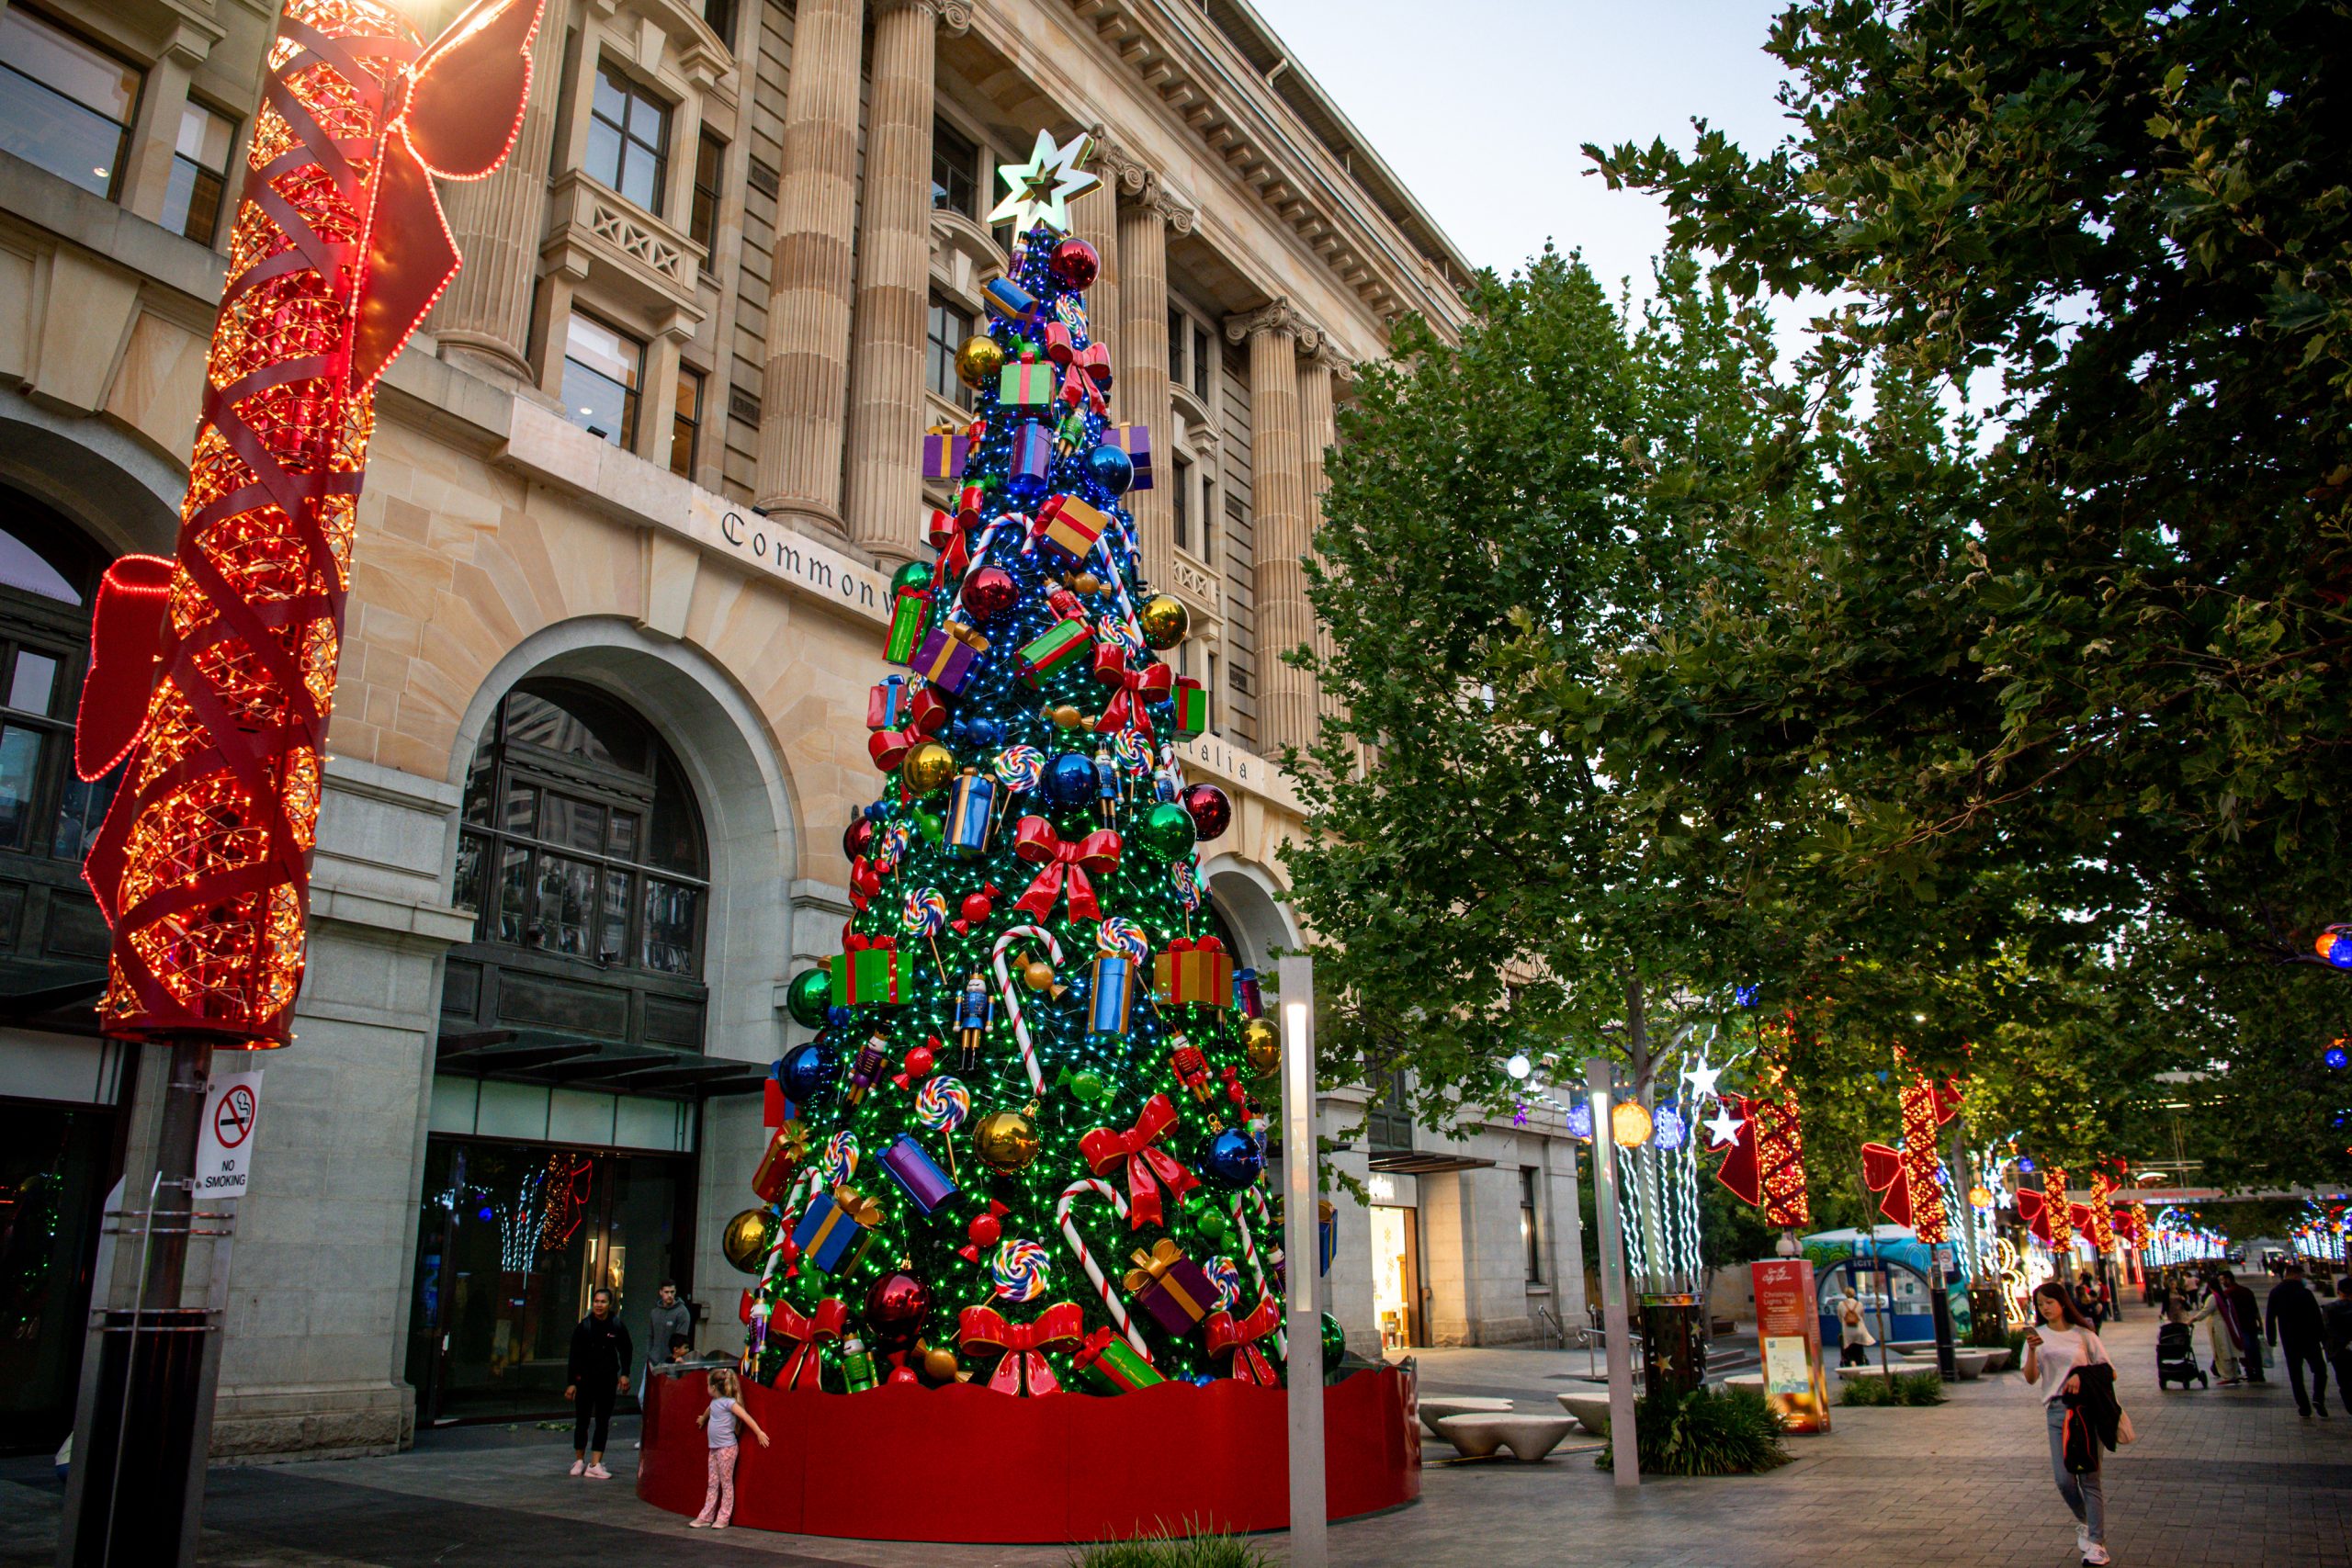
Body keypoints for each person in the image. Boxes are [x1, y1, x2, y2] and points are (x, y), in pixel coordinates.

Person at [2022, 1280, 2115, 1566]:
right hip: (2056, 1411)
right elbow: (2030, 1378)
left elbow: (2109, 1371)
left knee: (2089, 1478)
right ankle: (2088, 1522)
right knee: (2064, 1480)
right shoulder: (2036, 1337)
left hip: (2086, 1410)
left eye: (2049, 1302)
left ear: (2062, 1302)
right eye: (2040, 1304)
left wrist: (2080, 1375)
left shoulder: (2083, 1334)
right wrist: (2034, 1351)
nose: (2045, 1308)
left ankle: (2097, 1545)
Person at [566, 1286, 633, 1479]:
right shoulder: (584, 1326)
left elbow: (626, 1350)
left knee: (603, 1421)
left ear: (609, 1304)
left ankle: (595, 1463)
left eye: (603, 1302)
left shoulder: (616, 1326)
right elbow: (574, 1357)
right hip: (585, 1380)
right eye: (596, 1301)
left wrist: (625, 1374)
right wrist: (571, 1383)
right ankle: (579, 1460)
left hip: (607, 1380)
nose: (599, 1305)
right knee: (582, 1420)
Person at [690, 1367, 769, 1529]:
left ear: (713, 1387)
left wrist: (759, 1432)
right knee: (712, 1482)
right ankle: (706, 1515)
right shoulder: (715, 1403)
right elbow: (709, 1411)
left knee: (726, 1483)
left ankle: (724, 1517)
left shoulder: (729, 1403)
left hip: (726, 1448)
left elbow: (745, 1416)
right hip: (714, 1448)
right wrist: (703, 1419)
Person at [2266, 1262, 2330, 1418]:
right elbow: (2317, 1317)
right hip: (2310, 1339)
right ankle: (2318, 1398)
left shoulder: (2276, 1292)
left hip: (2289, 1340)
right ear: (2295, 1275)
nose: (2303, 1279)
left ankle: (2304, 1407)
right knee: (2320, 1370)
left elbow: (2270, 1317)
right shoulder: (2305, 1293)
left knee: (2296, 1375)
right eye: (2302, 1276)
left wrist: (2272, 1338)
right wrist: (2323, 1339)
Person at [2188, 1278, 2242, 1384]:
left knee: (2222, 1350)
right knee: (2230, 1350)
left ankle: (2228, 1375)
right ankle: (2235, 1373)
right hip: (2228, 1326)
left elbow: (2205, 1311)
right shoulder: (2225, 1296)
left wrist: (2192, 1320)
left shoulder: (2213, 1297)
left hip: (2218, 1327)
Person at [2219, 1270, 2267, 1383]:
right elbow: (2255, 1308)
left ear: (2228, 1279)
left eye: (2223, 1280)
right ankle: (2259, 1373)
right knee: (2255, 1349)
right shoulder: (2247, 1291)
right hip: (2251, 1324)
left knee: (2246, 1350)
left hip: (2239, 1326)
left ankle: (2250, 1372)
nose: (2222, 1283)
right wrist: (2260, 1322)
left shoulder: (2228, 1294)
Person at [2324, 1275, 2352, 1416]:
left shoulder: (2329, 1309)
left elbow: (2327, 1330)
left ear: (2339, 1291)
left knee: (2345, 1382)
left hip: (2338, 1352)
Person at [1838, 1292, 1875, 1368]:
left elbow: (1840, 1317)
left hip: (1847, 1330)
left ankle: (1851, 1361)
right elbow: (1862, 1316)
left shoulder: (1841, 1304)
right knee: (1859, 1346)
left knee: (1848, 1347)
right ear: (1854, 1294)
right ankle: (1860, 1361)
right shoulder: (1859, 1304)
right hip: (1859, 1329)